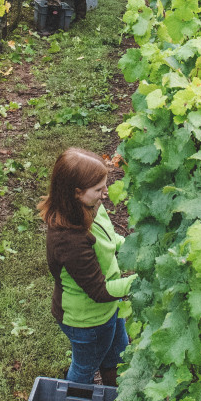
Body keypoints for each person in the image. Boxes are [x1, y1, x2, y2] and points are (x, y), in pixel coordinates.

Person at [42, 147, 133, 386]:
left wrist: (135, 248)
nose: (105, 193)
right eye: (98, 189)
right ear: (77, 193)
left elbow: (109, 239)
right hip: (88, 321)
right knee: (84, 369)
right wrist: (140, 281)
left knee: (117, 355)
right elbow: (99, 291)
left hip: (110, 307)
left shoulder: (90, 206)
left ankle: (114, 398)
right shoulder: (68, 239)